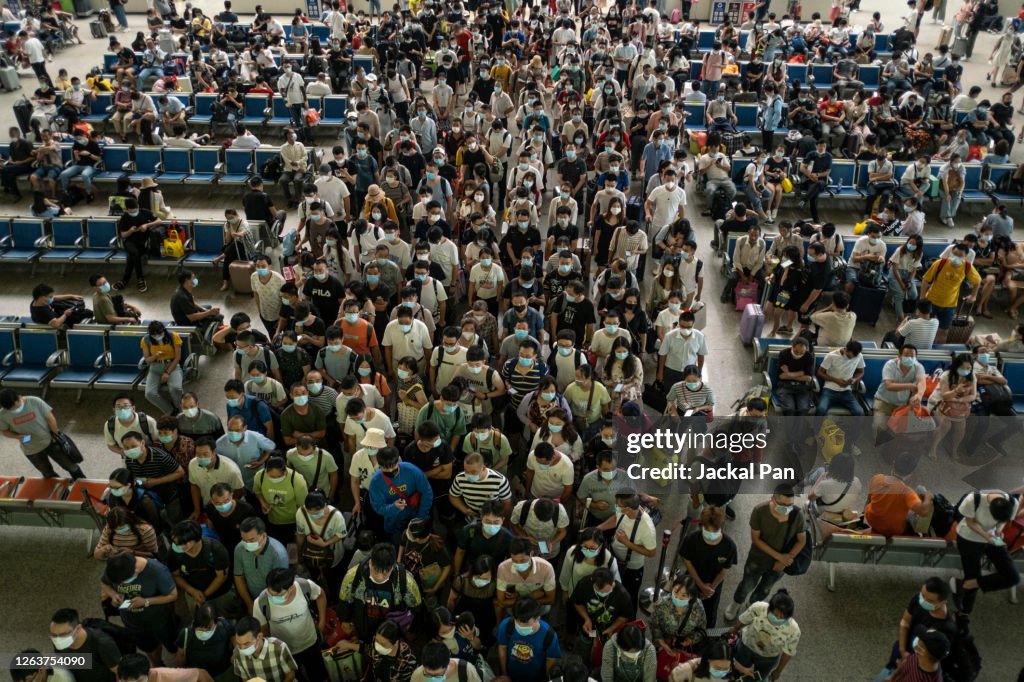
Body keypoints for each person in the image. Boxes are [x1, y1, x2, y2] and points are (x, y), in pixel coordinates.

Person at [724, 486, 806, 622]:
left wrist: (787, 558)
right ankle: (736, 604)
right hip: (758, 559)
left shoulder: (797, 515)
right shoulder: (759, 511)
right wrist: (779, 556)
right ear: (773, 499)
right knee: (746, 584)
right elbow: (756, 539)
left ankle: (751, 607)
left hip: (779, 565)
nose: (787, 508)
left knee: (765, 589)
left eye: (790, 505)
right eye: (783, 504)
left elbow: (801, 540)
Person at [99, 553, 179, 665]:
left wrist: (145, 602)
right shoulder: (115, 567)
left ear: (135, 571)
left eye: (124, 581)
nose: (121, 585)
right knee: (148, 648)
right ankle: (157, 664)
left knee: (172, 645)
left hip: (159, 620)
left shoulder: (157, 570)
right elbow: (104, 583)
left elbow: (173, 595)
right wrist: (114, 595)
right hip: (132, 622)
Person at [950, 490, 1022, 614]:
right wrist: (985, 535)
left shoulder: (1012, 502)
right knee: (973, 574)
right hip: (968, 537)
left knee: (1012, 577)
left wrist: (998, 530)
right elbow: (969, 521)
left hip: (992, 537)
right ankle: (965, 612)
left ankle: (964, 585)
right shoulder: (973, 499)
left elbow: (1003, 521)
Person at [337, 542, 423, 644]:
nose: (380, 576)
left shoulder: (406, 582)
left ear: (392, 566)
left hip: (392, 635)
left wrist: (411, 631)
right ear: (370, 563)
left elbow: (416, 609)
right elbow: (344, 602)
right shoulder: (353, 576)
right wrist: (345, 621)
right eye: (376, 570)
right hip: (363, 630)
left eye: (385, 572)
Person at [253, 567, 329, 682]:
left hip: (311, 643)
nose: (273, 598)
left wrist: (322, 621)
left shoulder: (304, 586)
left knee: (318, 675)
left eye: (279, 595)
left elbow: (320, 595)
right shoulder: (261, 602)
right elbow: (263, 629)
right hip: (285, 652)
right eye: (270, 593)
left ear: (291, 587)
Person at [0, 390, 85, 480]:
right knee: (48, 473)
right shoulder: (3, 415)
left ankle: (83, 485)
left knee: (71, 466)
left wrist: (55, 434)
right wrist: (18, 437)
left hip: (51, 441)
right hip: (31, 449)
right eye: (10, 409)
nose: (14, 410)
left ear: (19, 398)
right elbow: (5, 431)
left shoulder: (34, 401)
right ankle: (62, 493)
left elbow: (50, 418)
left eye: (15, 406)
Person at [597, 492, 656, 613]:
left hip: (631, 568)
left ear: (628, 509)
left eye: (618, 505)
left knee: (629, 595)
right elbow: (615, 518)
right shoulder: (624, 512)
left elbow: (652, 552)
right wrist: (598, 528)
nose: (616, 507)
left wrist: (627, 543)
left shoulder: (646, 528)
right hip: (615, 558)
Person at [679, 505, 737, 627]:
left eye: (714, 531)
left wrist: (710, 589)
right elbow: (687, 561)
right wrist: (700, 584)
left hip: (713, 586)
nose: (710, 534)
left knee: (709, 613)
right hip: (692, 580)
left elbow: (725, 569)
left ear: (721, 526)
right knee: (684, 606)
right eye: (706, 529)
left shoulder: (729, 546)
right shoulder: (692, 539)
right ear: (702, 525)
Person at [167, 519, 235, 616]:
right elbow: (176, 575)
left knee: (226, 616)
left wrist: (204, 595)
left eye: (179, 544)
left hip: (221, 593)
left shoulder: (215, 549)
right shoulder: (174, 553)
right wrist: (193, 591)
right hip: (193, 595)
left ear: (191, 542)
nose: (175, 546)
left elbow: (221, 577)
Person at [731, 589, 801, 681]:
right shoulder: (758, 608)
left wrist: (778, 671)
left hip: (769, 657)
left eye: (781, 617)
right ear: (769, 608)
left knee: (760, 676)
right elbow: (744, 619)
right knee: (738, 669)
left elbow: (788, 653)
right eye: (775, 614)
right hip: (747, 646)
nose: (777, 619)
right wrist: (735, 629)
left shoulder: (794, 630)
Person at [920, 244, 980, 344]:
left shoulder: (967, 267)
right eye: (955, 253)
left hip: (949, 305)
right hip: (931, 301)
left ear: (965, 257)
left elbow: (977, 281)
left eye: (960, 255)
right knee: (924, 327)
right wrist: (922, 297)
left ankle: (937, 352)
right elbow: (925, 280)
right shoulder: (940, 263)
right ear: (951, 252)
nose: (956, 257)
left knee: (944, 331)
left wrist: (973, 295)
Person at [864, 452, 935, 536]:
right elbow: (924, 512)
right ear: (911, 473)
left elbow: (869, 499)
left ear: (894, 463)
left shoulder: (877, 478)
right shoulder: (907, 492)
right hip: (891, 529)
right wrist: (928, 496)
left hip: (871, 518)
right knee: (911, 517)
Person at [496, 596, 561, 681]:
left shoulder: (549, 635)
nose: (520, 626)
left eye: (526, 623)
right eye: (518, 621)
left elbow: (551, 660)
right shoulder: (506, 625)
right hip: (511, 676)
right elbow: (502, 648)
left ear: (537, 618)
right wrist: (504, 674)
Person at [233, 517, 289, 614]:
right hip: (251, 598)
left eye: (251, 540)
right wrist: (250, 604)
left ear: (263, 536)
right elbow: (239, 577)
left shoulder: (278, 554)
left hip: (273, 600)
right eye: (244, 540)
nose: (247, 544)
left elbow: (279, 587)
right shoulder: (240, 549)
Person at [49, 607, 122, 682]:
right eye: (54, 635)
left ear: (78, 628)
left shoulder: (102, 643)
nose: (58, 639)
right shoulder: (58, 642)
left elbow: (120, 674)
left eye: (63, 635)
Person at [927, 353, 977, 461]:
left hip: (959, 405)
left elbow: (973, 395)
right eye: (962, 368)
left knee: (961, 429)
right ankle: (933, 447)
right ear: (956, 366)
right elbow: (945, 396)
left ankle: (954, 449)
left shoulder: (972, 377)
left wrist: (959, 400)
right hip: (940, 402)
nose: (965, 370)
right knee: (945, 426)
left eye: (968, 368)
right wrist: (956, 391)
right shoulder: (946, 375)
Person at [871, 344, 928, 437]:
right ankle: (879, 444)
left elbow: (922, 382)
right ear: (899, 356)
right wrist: (909, 386)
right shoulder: (890, 364)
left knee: (904, 428)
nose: (909, 358)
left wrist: (919, 395)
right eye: (906, 355)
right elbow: (889, 386)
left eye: (912, 356)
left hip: (902, 403)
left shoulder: (918, 367)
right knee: (879, 426)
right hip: (884, 401)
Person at [174, 603, 235, 680]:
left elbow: (234, 637)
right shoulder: (186, 634)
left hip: (222, 673)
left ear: (216, 622)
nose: (204, 631)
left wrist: (236, 652)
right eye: (200, 628)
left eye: (208, 628)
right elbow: (180, 656)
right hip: (198, 677)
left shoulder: (223, 626)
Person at [230, 615, 298, 682]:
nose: (242, 648)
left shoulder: (279, 648)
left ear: (260, 636)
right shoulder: (237, 654)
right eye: (239, 644)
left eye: (246, 643)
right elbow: (245, 679)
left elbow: (290, 676)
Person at [815, 341, 866, 416]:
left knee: (860, 412)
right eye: (849, 356)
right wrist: (836, 380)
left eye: (853, 357)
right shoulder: (831, 356)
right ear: (846, 349)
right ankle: (816, 427)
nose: (850, 359)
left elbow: (861, 372)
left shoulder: (859, 356)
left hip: (846, 391)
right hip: (830, 389)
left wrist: (854, 379)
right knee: (821, 409)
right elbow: (820, 373)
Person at [885, 629, 950, 681]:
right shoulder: (917, 656)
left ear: (922, 651)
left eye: (920, 641)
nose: (917, 640)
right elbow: (905, 663)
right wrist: (892, 677)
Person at [412, 641, 482, 682]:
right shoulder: (417, 676)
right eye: (427, 674)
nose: (432, 679)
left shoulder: (466, 671)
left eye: (437, 676)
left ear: (447, 663)